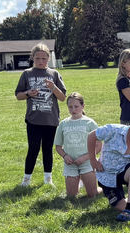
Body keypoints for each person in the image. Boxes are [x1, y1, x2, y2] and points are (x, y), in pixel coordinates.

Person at [15, 43, 66, 186]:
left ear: (48, 58)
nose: (41, 61)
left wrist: (53, 87)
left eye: (44, 58)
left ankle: (48, 179)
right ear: (32, 58)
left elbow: (62, 97)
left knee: (47, 150)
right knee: (33, 149)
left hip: (50, 119)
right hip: (33, 120)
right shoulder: (27, 73)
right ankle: (26, 179)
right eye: (38, 58)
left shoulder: (54, 74)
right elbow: (18, 95)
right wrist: (28, 94)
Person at [54, 92, 100, 199]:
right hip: (71, 164)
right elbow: (58, 147)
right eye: (70, 107)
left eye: (76, 106)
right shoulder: (63, 124)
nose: (73, 109)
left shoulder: (90, 123)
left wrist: (85, 157)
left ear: (83, 106)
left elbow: (98, 146)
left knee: (92, 194)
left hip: (87, 162)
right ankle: (79, 181)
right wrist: (65, 156)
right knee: (71, 196)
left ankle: (102, 187)